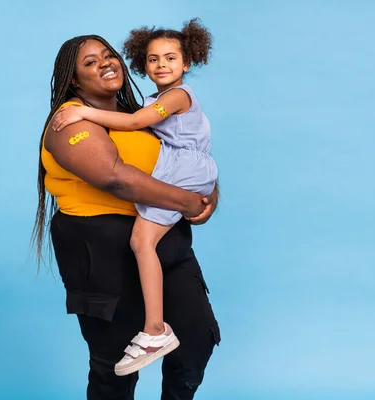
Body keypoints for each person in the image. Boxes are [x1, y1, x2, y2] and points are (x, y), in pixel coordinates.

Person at [32, 34, 221, 400]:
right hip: (102, 253)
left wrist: (208, 194)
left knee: (196, 341)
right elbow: (115, 178)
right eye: (89, 62)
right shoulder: (70, 121)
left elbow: (184, 155)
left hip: (164, 245)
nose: (104, 63)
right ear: (73, 80)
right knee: (115, 363)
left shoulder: (139, 113)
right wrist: (186, 201)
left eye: (108, 55)